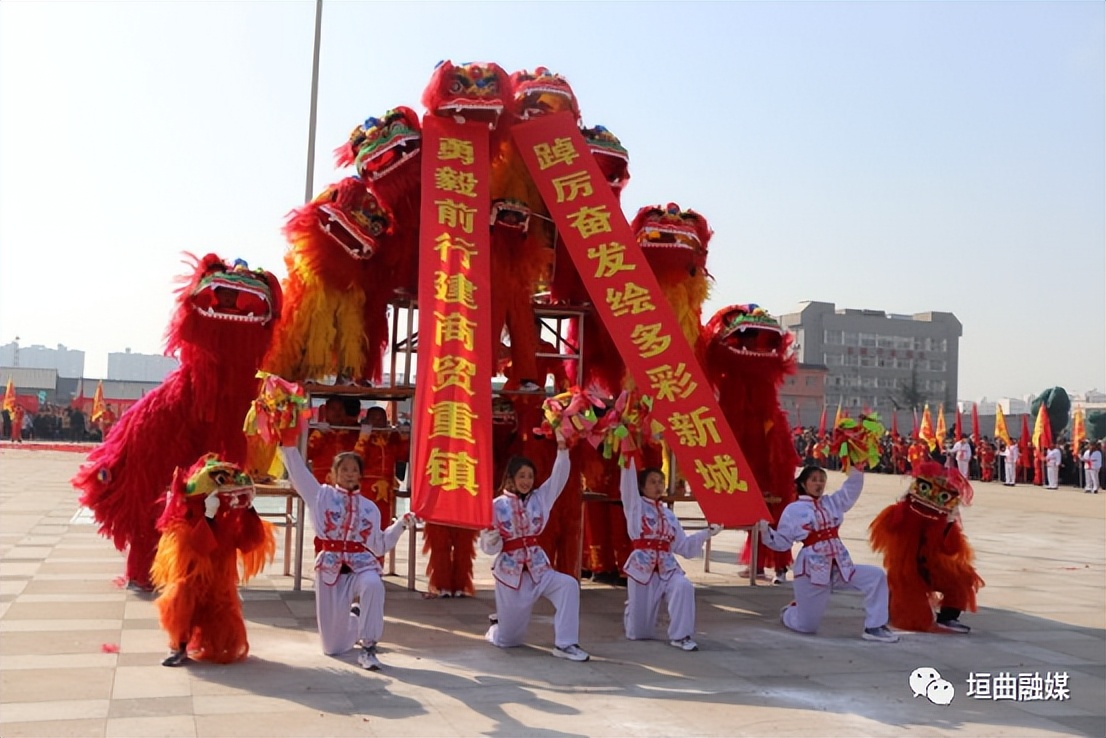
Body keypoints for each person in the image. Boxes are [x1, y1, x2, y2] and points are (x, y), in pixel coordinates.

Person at [280, 444, 414, 670]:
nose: (349, 473)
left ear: (360, 474)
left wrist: (401, 525)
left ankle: (369, 647)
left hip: (361, 566)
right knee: (332, 647)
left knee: (373, 584)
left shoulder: (370, 508)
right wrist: (286, 445)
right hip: (330, 568)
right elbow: (299, 472)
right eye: (344, 469)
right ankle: (354, 617)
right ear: (333, 474)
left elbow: (380, 546)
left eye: (354, 469)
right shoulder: (320, 496)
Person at [758, 463, 899, 643]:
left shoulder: (832, 502)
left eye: (822, 480)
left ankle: (874, 626)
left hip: (841, 565)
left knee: (876, 576)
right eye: (814, 480)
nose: (819, 484)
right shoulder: (794, 510)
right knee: (806, 627)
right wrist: (765, 530)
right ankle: (790, 612)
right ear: (803, 484)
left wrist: (857, 469)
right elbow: (782, 543)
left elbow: (850, 490)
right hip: (811, 570)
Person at [480, 430, 590, 661]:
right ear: (510, 477)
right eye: (521, 476)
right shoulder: (496, 505)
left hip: (540, 569)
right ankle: (497, 627)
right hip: (511, 574)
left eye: (530, 476)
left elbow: (559, 477)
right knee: (509, 641)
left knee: (568, 585)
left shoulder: (541, 498)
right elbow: (488, 549)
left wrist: (562, 448)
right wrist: (493, 539)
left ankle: (565, 644)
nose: (526, 481)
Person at [868, 461, 984, 634]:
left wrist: (948, 525)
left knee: (962, 577)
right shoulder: (901, 513)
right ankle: (889, 604)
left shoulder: (942, 522)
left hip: (930, 567)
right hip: (905, 572)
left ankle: (948, 617)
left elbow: (950, 550)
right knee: (915, 615)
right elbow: (888, 530)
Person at [620, 460, 721, 650]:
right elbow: (626, 485)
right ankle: (632, 611)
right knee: (639, 633)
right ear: (641, 486)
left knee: (683, 586)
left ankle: (681, 636)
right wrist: (629, 457)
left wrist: (707, 532)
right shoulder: (635, 507)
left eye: (660, 481)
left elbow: (684, 547)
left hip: (668, 567)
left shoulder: (669, 515)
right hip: (642, 569)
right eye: (652, 482)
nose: (658, 486)